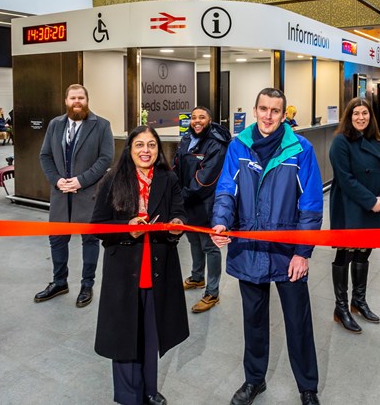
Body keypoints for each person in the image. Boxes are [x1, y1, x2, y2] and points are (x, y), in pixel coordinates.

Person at [211, 88, 323, 405]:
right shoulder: (239, 146)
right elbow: (225, 191)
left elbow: (311, 205)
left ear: (284, 114)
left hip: (287, 252)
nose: (268, 116)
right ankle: (254, 380)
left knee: (298, 321)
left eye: (275, 110)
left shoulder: (300, 149)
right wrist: (220, 222)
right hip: (249, 247)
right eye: (263, 109)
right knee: (254, 320)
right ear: (254, 110)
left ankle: (307, 387)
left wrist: (302, 252)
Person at [91, 126, 188, 405]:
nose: (146, 151)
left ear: (158, 150)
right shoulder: (113, 180)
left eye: (152, 145)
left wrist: (177, 226)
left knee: (150, 334)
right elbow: (97, 226)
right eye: (139, 145)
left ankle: (149, 389)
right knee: (125, 335)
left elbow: (178, 211)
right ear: (129, 150)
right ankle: (129, 396)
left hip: (158, 269)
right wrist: (126, 228)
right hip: (124, 271)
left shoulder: (168, 179)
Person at [36, 84, 114, 307]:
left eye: (81, 97)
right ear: (66, 101)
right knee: (57, 240)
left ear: (87, 100)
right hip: (60, 193)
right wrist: (57, 180)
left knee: (89, 240)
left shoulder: (101, 126)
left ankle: (86, 285)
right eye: (73, 98)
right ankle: (60, 282)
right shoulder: (55, 125)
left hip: (88, 194)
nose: (76, 102)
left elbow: (105, 159)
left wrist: (81, 180)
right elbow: (45, 156)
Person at [329, 98, 380, 333]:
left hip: (376, 205)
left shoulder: (376, 141)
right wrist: (370, 201)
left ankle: (358, 301)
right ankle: (341, 307)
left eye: (364, 113)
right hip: (350, 206)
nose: (360, 118)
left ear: (370, 116)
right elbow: (345, 179)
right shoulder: (341, 142)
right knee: (344, 254)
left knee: (364, 252)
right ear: (349, 116)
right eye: (356, 113)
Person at [173, 106, 231, 313]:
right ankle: (197, 277)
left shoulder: (216, 143)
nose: (197, 121)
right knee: (193, 241)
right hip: (187, 202)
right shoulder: (187, 139)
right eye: (194, 117)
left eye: (202, 117)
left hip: (206, 203)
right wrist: (174, 191)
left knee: (209, 247)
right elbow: (176, 166)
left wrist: (182, 195)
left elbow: (206, 179)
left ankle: (212, 292)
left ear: (210, 120)